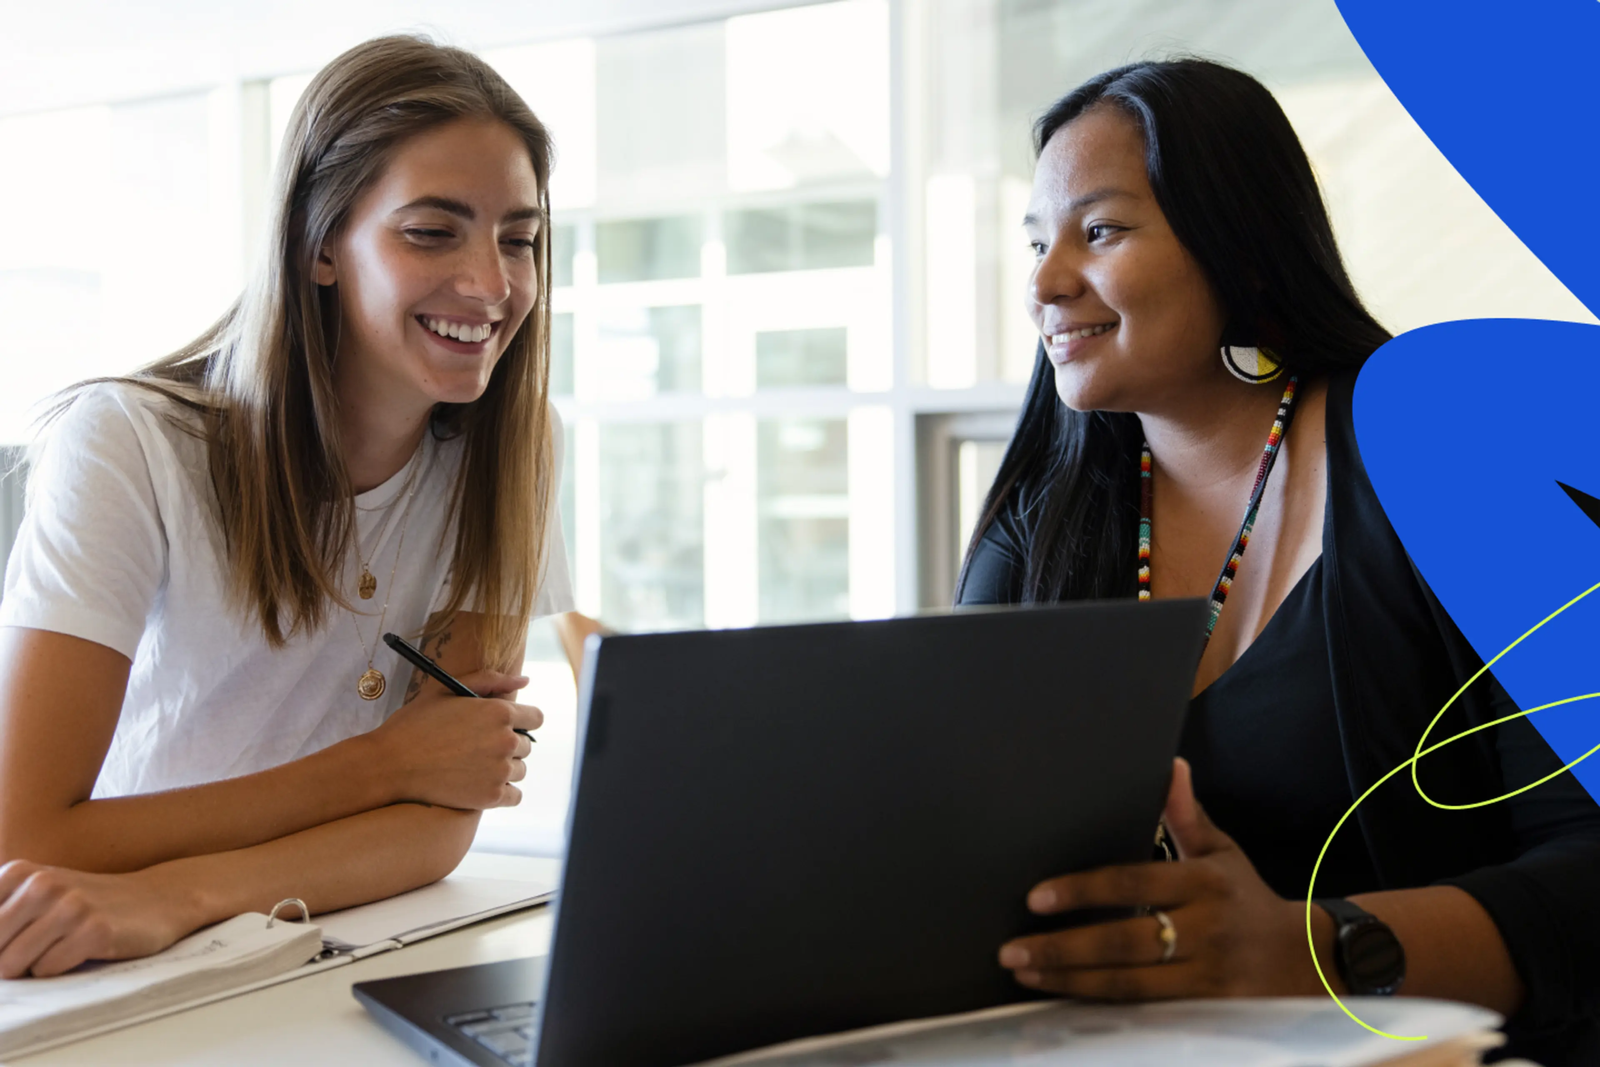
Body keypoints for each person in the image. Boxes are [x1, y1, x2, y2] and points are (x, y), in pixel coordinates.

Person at [957, 59, 1600, 1064]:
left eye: (1102, 230)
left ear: (1242, 250)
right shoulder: (1036, 534)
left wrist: (1312, 949)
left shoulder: (1455, 464)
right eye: (1036, 242)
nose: (1043, 283)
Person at [0, 35, 574, 979]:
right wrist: (386, 766)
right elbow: (27, 830)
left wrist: (176, 895)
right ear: (319, 248)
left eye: (519, 238)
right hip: (95, 964)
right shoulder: (130, 442)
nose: (492, 284)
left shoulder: (516, 450)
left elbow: (442, 818)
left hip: (325, 944)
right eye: (433, 231)